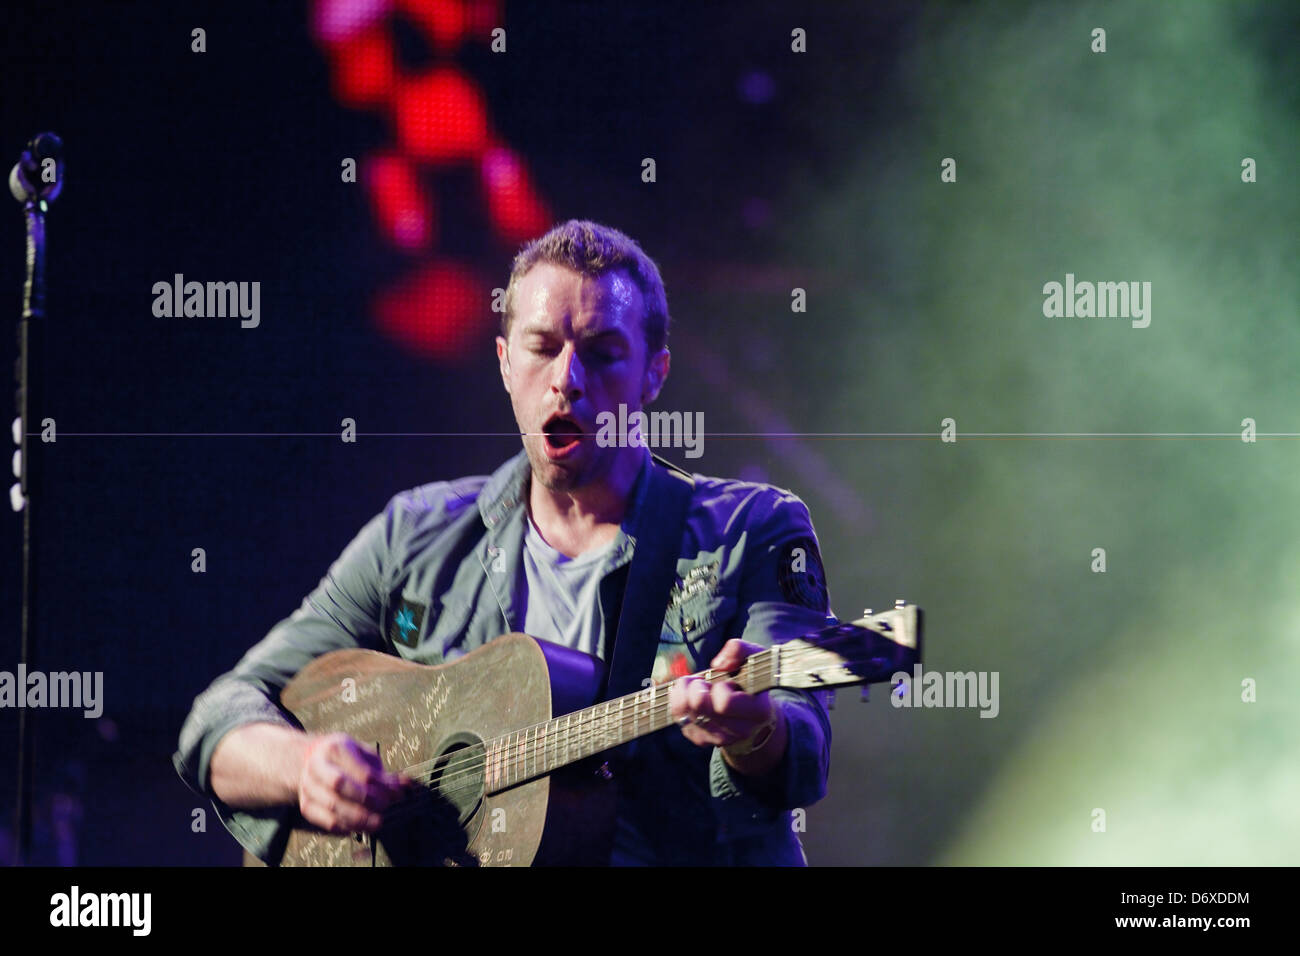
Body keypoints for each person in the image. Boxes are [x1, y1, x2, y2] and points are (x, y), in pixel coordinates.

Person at [174, 219, 833, 865]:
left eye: (603, 354)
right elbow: (218, 720)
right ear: (504, 361)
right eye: (543, 346)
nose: (568, 378)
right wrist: (306, 766)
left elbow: (803, 749)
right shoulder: (416, 537)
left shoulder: (752, 531)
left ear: (653, 376)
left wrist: (758, 732)